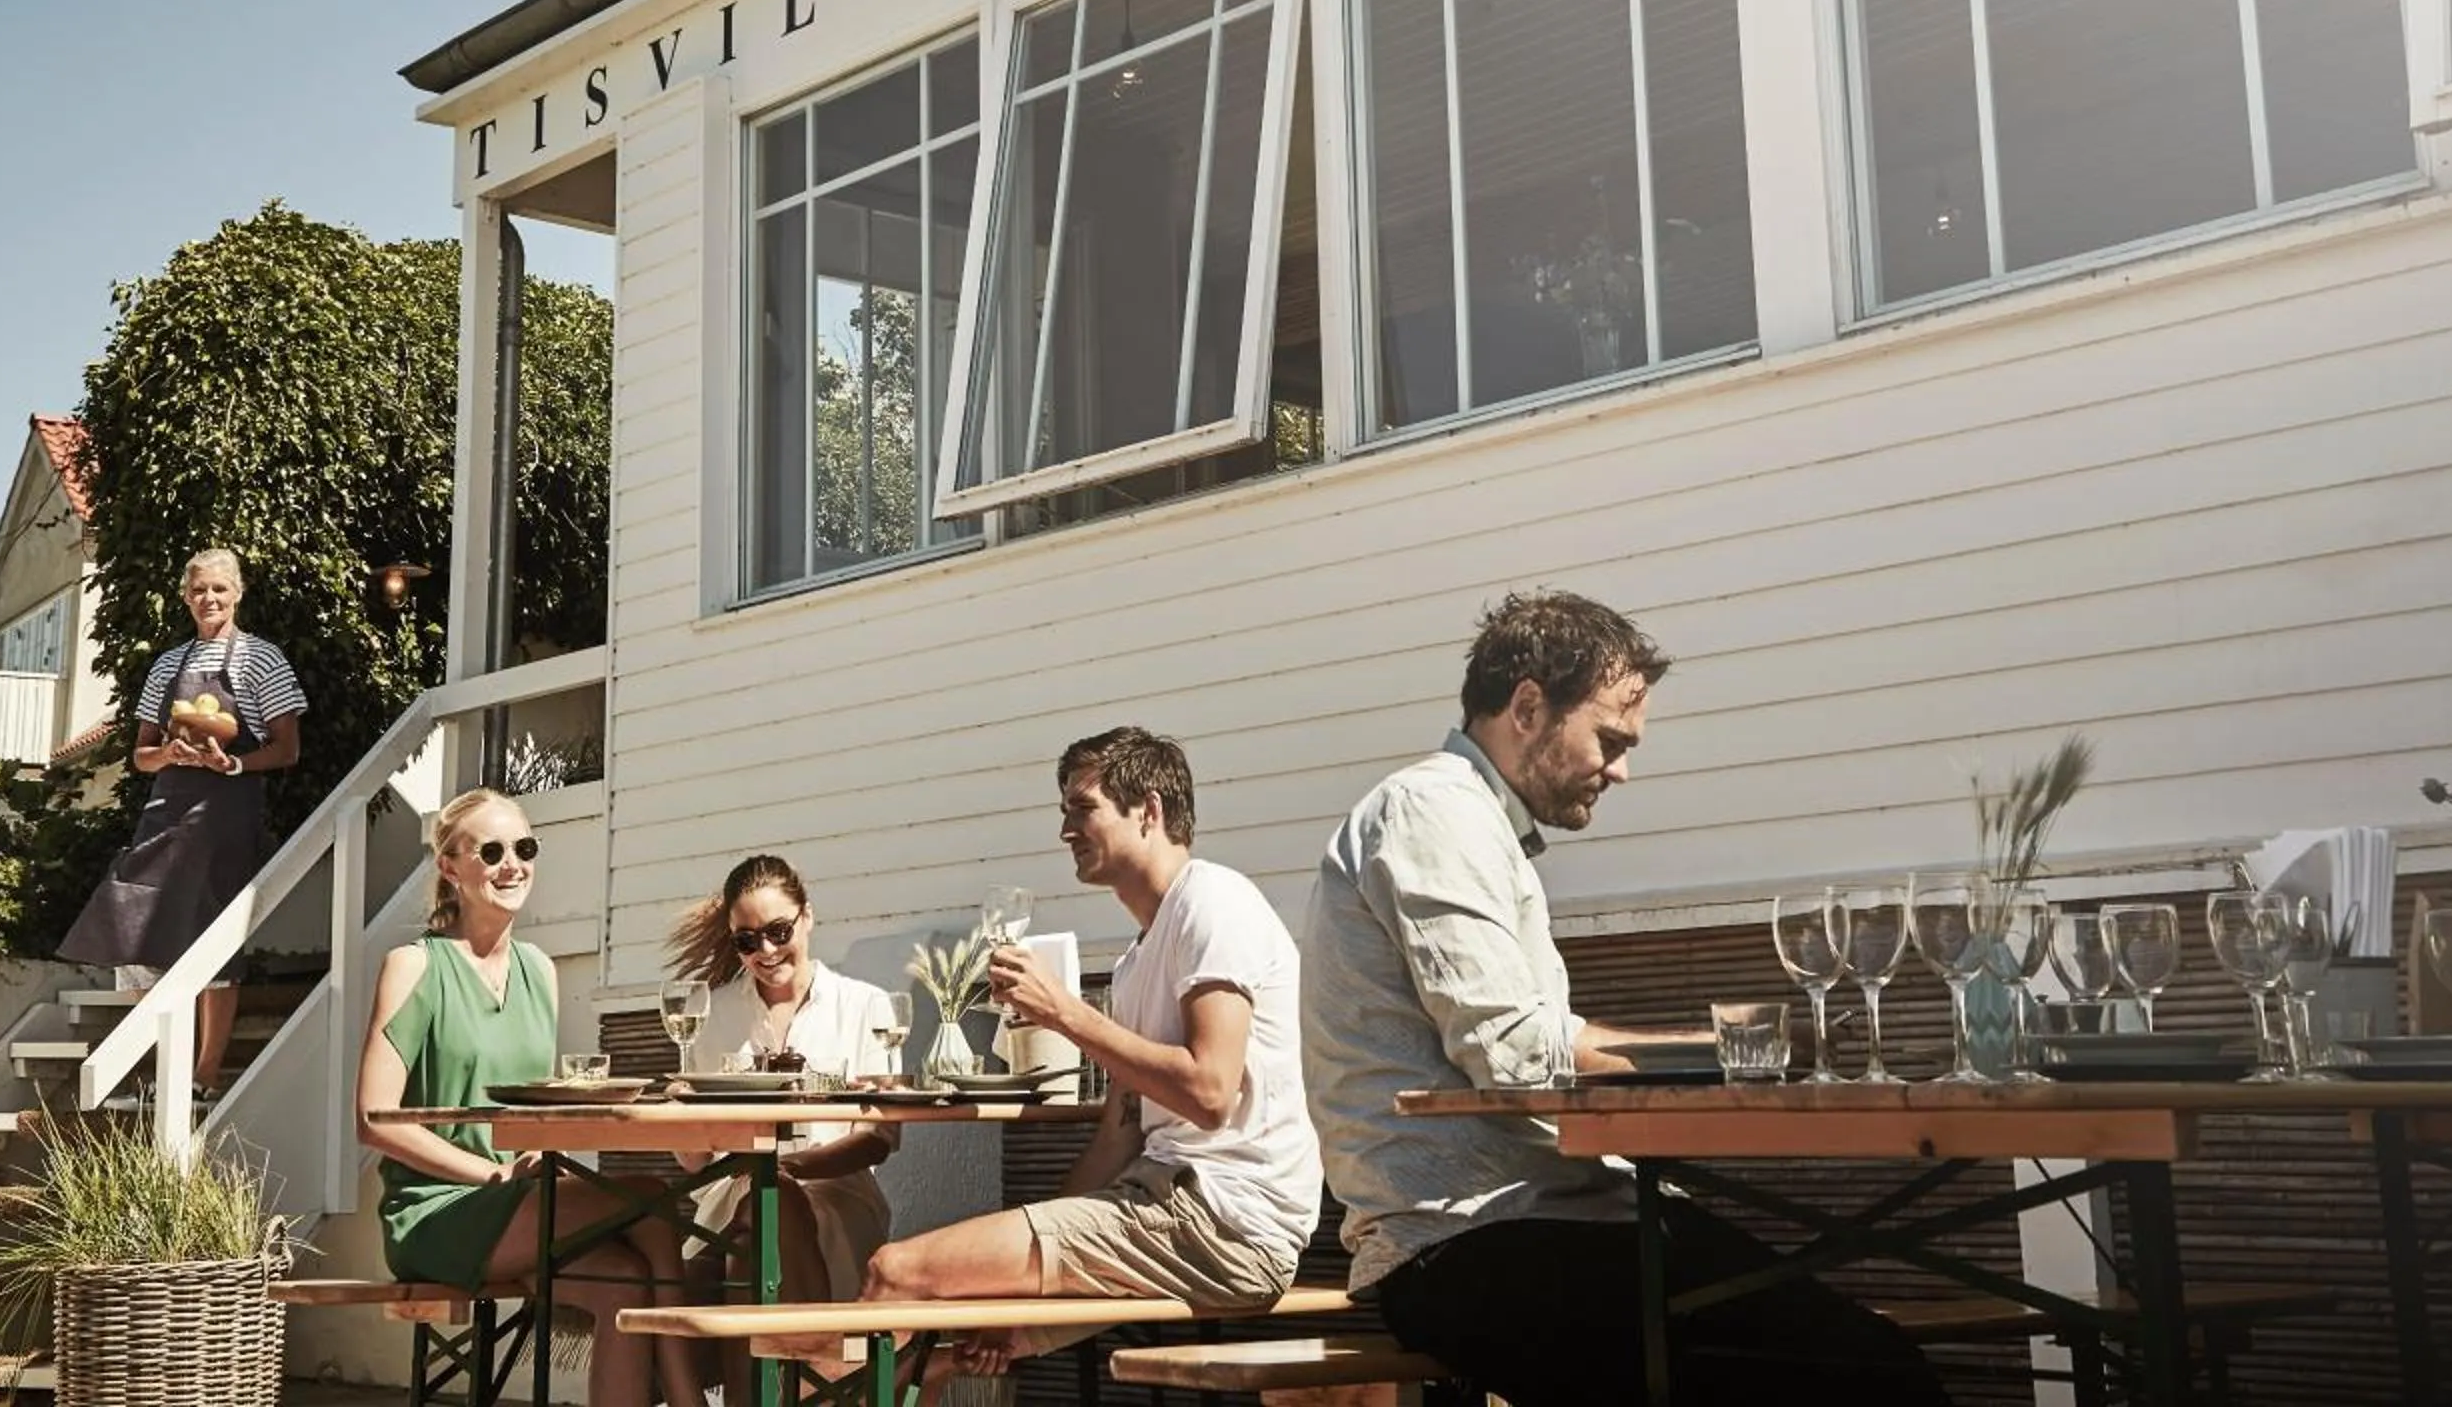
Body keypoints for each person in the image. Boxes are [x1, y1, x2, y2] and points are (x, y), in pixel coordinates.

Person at [1303, 591, 1950, 1407]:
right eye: (1609, 740)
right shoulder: (1433, 812)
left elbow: (1535, 1036)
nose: (1622, 770)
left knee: (1864, 1359)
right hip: (1468, 1242)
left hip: (1542, 1221)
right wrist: (1731, 1057)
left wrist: (1731, 1055)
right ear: (1529, 706)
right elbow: (1515, 1055)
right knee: (1872, 1376)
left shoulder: (1470, 824)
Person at [864, 728, 1320, 1375]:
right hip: (1156, 1207)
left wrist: (1065, 1014)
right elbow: (1117, 1139)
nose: (1065, 830)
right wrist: (1020, 1285)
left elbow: (1211, 1094)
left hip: (1223, 1224)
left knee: (895, 1273)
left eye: (1083, 808)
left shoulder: (1214, 904)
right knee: (946, 1350)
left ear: (1150, 810)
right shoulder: (1137, 964)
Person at [356, 789, 705, 1407]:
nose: (511, 864)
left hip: (519, 1197)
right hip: (436, 1211)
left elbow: (536, 1108)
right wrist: (490, 1173)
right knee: (651, 1200)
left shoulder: (538, 970)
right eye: (490, 851)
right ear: (450, 868)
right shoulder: (414, 966)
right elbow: (374, 1120)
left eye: (525, 848)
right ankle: (688, 1401)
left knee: (622, 1280)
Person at [57, 547, 304, 1098]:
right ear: (185, 596)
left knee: (212, 932)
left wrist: (233, 762)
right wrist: (169, 754)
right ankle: (163, 1061)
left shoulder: (263, 659)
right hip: (167, 808)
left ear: (237, 592)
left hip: (226, 812)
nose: (208, 599)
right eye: (198, 590)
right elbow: (141, 756)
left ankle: (204, 1073)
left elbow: (287, 749)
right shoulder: (167, 665)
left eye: (218, 588)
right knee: (135, 921)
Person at [664, 855, 903, 1398]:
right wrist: (685, 1115)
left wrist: (785, 1167)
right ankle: (821, 1381)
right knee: (754, 1217)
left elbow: (881, 1139)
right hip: (729, 1202)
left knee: (766, 1214)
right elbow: (692, 1161)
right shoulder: (713, 1013)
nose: (766, 952)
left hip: (836, 1197)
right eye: (747, 941)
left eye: (778, 931)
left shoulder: (865, 1005)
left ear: (807, 918)